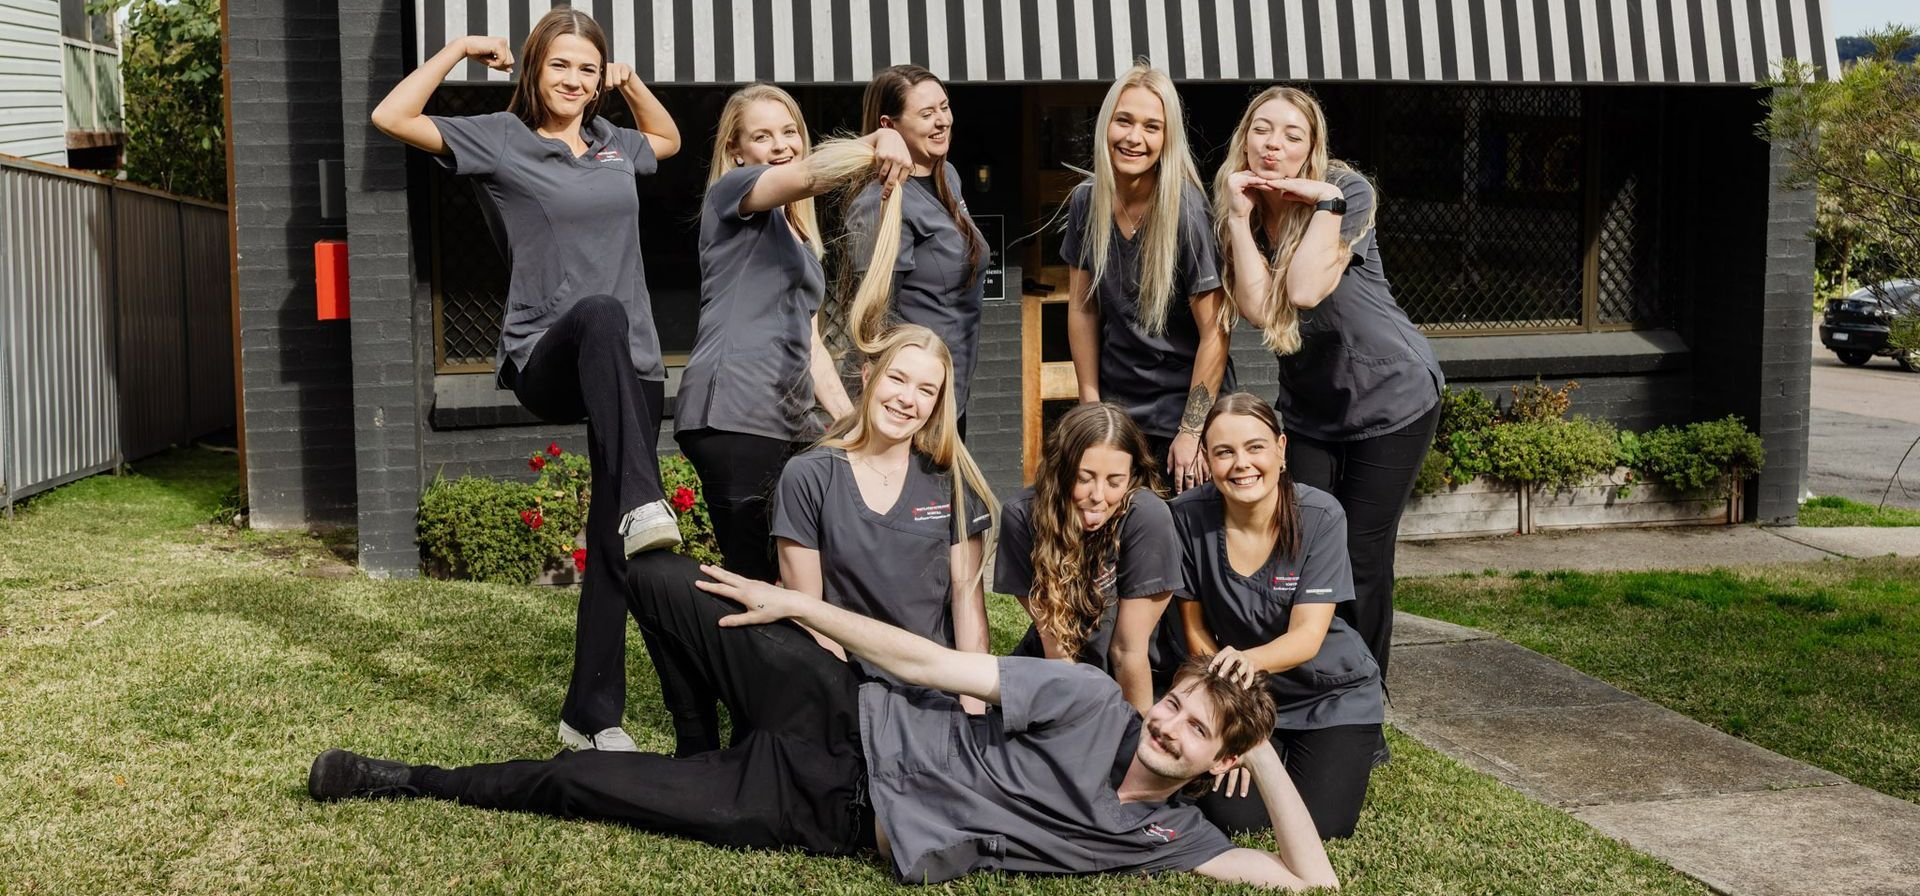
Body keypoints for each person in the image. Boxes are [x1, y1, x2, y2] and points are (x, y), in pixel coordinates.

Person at [307, 551, 1341, 890]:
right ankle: (699, 718)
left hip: (826, 804)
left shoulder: (1175, 836)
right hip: (840, 707)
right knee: (665, 578)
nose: (1167, 722)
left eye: (1195, 726)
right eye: (1176, 698)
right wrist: (805, 607)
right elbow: (930, 661)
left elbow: (1312, 882)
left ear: (1219, 754)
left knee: (589, 786)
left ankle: (401, 776)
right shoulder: (1081, 699)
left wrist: (1270, 752)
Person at [370, 9, 684, 752]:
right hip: (549, 352)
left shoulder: (613, 145)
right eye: (559, 66)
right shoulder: (500, 140)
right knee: (600, 313)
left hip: (632, 363)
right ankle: (646, 500)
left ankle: (591, 716)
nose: (574, 81)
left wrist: (632, 86)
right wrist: (456, 49)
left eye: (587, 68)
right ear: (533, 70)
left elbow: (668, 142)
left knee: (613, 544)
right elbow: (392, 114)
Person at [1212, 85, 1443, 683]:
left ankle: (1361, 694)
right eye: (1263, 129)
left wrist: (1324, 201)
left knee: (1363, 553)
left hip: (1392, 395)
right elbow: (1261, 309)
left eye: (1293, 135)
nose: (1274, 145)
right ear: (1245, 136)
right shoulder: (1237, 209)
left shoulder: (1348, 192)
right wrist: (1239, 218)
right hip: (1313, 409)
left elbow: (1305, 289)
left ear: (1313, 147)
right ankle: (1303, 673)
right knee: (1296, 536)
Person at [674, 83, 913, 583]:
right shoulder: (732, 195)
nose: (781, 144)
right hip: (735, 412)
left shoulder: (798, 236)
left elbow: (812, 346)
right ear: (736, 151)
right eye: (762, 136)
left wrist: (852, 419)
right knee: (758, 578)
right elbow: (807, 175)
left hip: (790, 421)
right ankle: (723, 658)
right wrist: (877, 142)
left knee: (802, 570)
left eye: (790, 132)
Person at [1171, 392, 1385, 839]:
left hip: (1328, 692)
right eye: (1224, 452)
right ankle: (1274, 747)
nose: (1242, 464)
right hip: (1243, 694)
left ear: (1281, 450)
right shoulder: (1187, 517)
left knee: (1326, 824)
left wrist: (1244, 666)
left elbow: (1307, 638)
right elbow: (1194, 628)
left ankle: (1323, 749)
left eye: (1255, 447)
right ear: (1207, 460)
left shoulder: (1320, 515)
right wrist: (1237, 716)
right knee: (1235, 817)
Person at [770, 326, 996, 717]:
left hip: (934, 696)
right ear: (868, 375)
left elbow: (966, 603)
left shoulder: (950, 483)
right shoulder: (808, 476)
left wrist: (972, 713)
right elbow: (808, 614)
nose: (908, 399)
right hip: (847, 697)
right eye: (897, 378)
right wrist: (852, 710)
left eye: (927, 390)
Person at [1065, 64, 1232, 493]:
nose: (1134, 138)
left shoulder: (1186, 210)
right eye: (1124, 121)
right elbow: (1082, 309)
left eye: (1151, 126)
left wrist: (1192, 432)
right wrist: (1091, 407)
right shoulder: (1087, 201)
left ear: (1166, 138)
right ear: (1106, 124)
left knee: (1177, 546)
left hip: (1181, 413)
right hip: (1119, 411)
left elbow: (1215, 333)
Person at [998, 402, 1181, 714]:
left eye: (1114, 481)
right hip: (1057, 669)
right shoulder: (1021, 516)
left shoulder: (1146, 518)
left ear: (1131, 477)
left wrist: (1133, 744)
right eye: (1084, 477)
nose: (1098, 495)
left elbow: (1127, 650)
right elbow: (1055, 644)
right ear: (1060, 469)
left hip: (1137, 677)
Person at [842, 65, 988, 431]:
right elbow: (876, 318)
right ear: (888, 126)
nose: (942, 121)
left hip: (950, 391)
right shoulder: (881, 200)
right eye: (926, 114)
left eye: (944, 107)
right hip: (910, 404)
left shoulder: (947, 176)